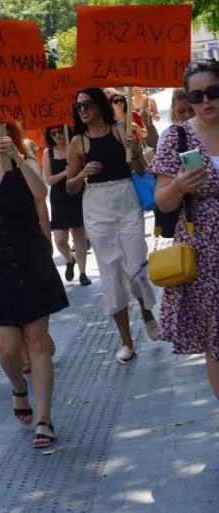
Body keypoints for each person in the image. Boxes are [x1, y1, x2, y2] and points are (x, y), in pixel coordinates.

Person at [0, 122, 68, 448]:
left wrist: (18, 158)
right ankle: (19, 386)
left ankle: (44, 420)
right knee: (8, 350)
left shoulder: (27, 162)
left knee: (36, 343)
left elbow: (40, 193)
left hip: (31, 259)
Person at [66, 88, 159, 365]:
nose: (83, 110)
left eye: (88, 104)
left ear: (99, 105)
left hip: (125, 199)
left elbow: (141, 170)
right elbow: (70, 187)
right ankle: (126, 342)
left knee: (135, 265)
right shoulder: (77, 142)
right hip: (96, 206)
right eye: (79, 106)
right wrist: (83, 173)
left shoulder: (120, 131)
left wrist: (136, 150)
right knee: (111, 274)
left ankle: (147, 313)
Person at [151, 59, 219, 399]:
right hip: (205, 255)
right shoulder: (176, 138)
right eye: (196, 96)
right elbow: (162, 202)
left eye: (213, 92)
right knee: (218, 342)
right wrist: (179, 184)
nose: (206, 101)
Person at [42, 126, 91, 286]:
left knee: (79, 234)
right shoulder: (48, 153)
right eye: (53, 133)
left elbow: (84, 169)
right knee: (60, 239)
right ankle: (70, 259)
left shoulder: (75, 147)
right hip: (59, 198)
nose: (57, 135)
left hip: (76, 194)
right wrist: (66, 172)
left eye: (60, 131)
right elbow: (49, 179)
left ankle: (83, 273)